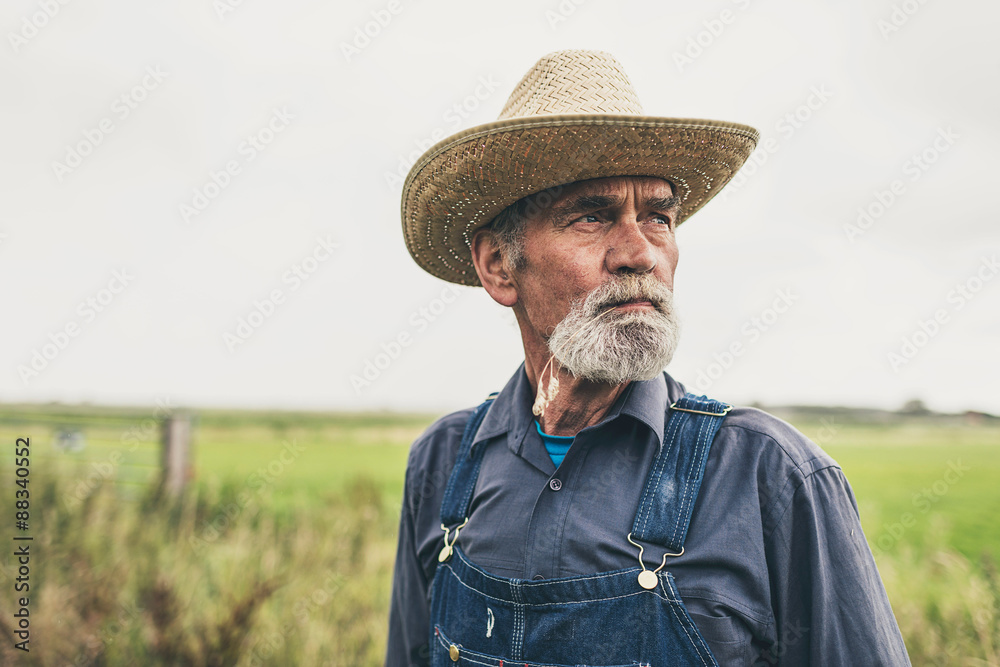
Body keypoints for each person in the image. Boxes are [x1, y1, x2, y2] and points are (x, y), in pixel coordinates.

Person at [386, 49, 909, 666]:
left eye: (658, 216)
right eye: (591, 217)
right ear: (499, 267)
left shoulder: (774, 476)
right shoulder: (443, 465)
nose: (639, 252)